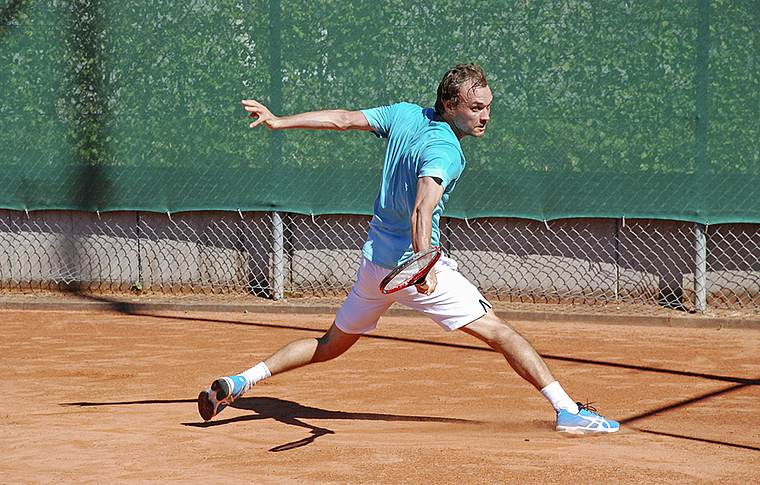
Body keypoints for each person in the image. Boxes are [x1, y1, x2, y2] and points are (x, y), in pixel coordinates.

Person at [198, 63, 619, 434]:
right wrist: (423, 265)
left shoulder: (403, 115)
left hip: (375, 265)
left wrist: (279, 121)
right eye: (476, 108)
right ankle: (567, 412)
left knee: (328, 345)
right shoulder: (446, 148)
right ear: (450, 104)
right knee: (502, 334)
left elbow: (343, 120)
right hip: (414, 269)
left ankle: (239, 382)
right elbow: (422, 209)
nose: (486, 116)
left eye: (488, 106)